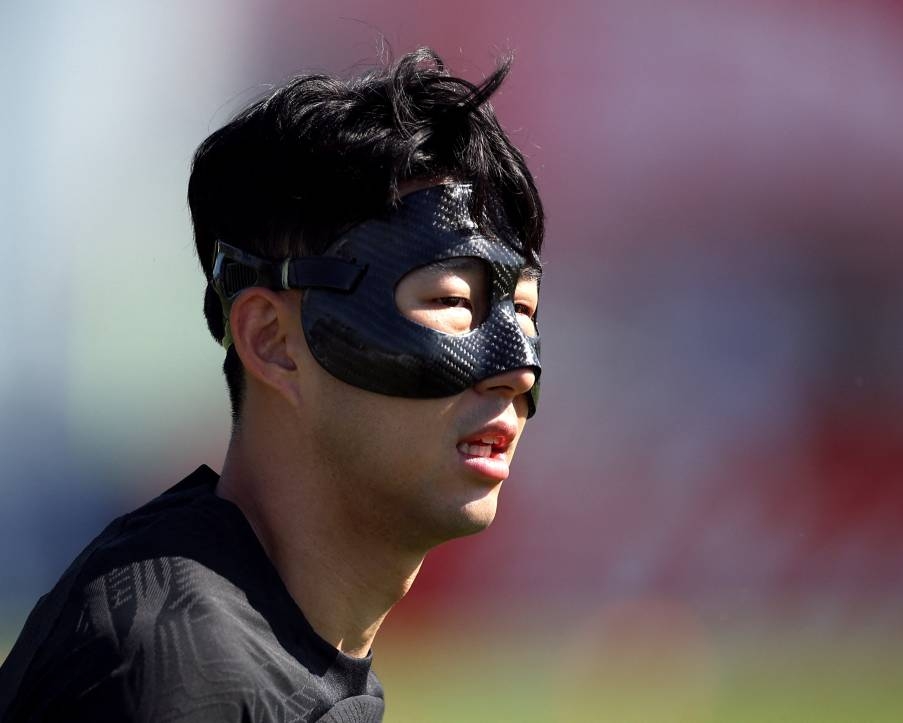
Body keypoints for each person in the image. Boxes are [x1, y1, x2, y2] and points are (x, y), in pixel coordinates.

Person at [0, 47, 544, 723]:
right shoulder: (176, 674)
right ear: (272, 340)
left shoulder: (263, 648)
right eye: (452, 299)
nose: (516, 365)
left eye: (523, 309)